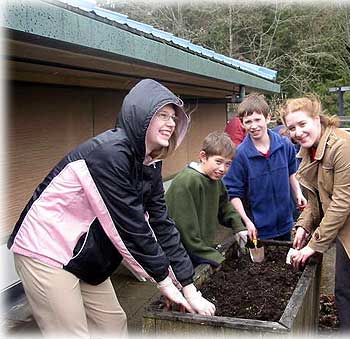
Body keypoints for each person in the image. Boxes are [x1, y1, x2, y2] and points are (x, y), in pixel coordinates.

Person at [7, 79, 215, 337]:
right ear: (141, 114)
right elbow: (132, 226)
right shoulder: (110, 154)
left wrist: (188, 286)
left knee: (112, 324)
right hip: (46, 249)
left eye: (173, 117)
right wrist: (164, 283)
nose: (171, 123)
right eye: (162, 114)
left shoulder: (149, 163)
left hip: (84, 253)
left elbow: (161, 223)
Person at [280, 95, 350, 335]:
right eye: (292, 128)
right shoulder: (309, 150)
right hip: (344, 230)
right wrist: (304, 226)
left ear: (317, 119)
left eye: (302, 124)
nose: (298, 132)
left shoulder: (343, 146)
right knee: (344, 293)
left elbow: (341, 203)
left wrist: (313, 246)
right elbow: (315, 197)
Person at [223, 92, 307, 241]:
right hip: (258, 228)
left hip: (285, 223)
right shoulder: (239, 156)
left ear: (268, 118)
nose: (253, 126)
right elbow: (234, 194)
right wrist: (246, 222)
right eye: (248, 121)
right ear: (242, 124)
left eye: (257, 119)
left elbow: (292, 172)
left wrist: (298, 194)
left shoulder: (284, 145)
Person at [165, 131, 248, 268]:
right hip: (181, 254)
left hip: (200, 248)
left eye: (228, 164)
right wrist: (216, 258)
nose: (222, 169)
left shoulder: (215, 180)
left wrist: (238, 226)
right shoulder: (186, 182)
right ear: (203, 157)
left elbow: (225, 207)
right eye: (218, 162)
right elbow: (185, 231)